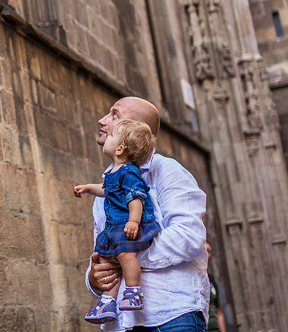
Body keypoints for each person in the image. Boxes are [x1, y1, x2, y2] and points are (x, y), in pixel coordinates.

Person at [85, 97, 209, 331]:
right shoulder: (106, 186)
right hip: (123, 324)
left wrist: (124, 256)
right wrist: (94, 278)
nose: (101, 121)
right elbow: (101, 251)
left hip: (172, 317)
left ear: (135, 129)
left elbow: (188, 237)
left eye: (114, 115)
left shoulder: (168, 171)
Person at [75, 119, 162, 324]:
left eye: (112, 136)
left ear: (121, 148)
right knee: (106, 257)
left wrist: (133, 221)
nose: (108, 137)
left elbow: (136, 198)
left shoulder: (129, 171)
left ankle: (133, 291)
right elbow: (105, 190)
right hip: (114, 227)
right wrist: (88, 188)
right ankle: (108, 300)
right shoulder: (113, 172)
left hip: (128, 224)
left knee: (125, 254)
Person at [205, 242, 226, 332]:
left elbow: (218, 311)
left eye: (208, 251)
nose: (206, 254)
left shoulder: (211, 279)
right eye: (203, 250)